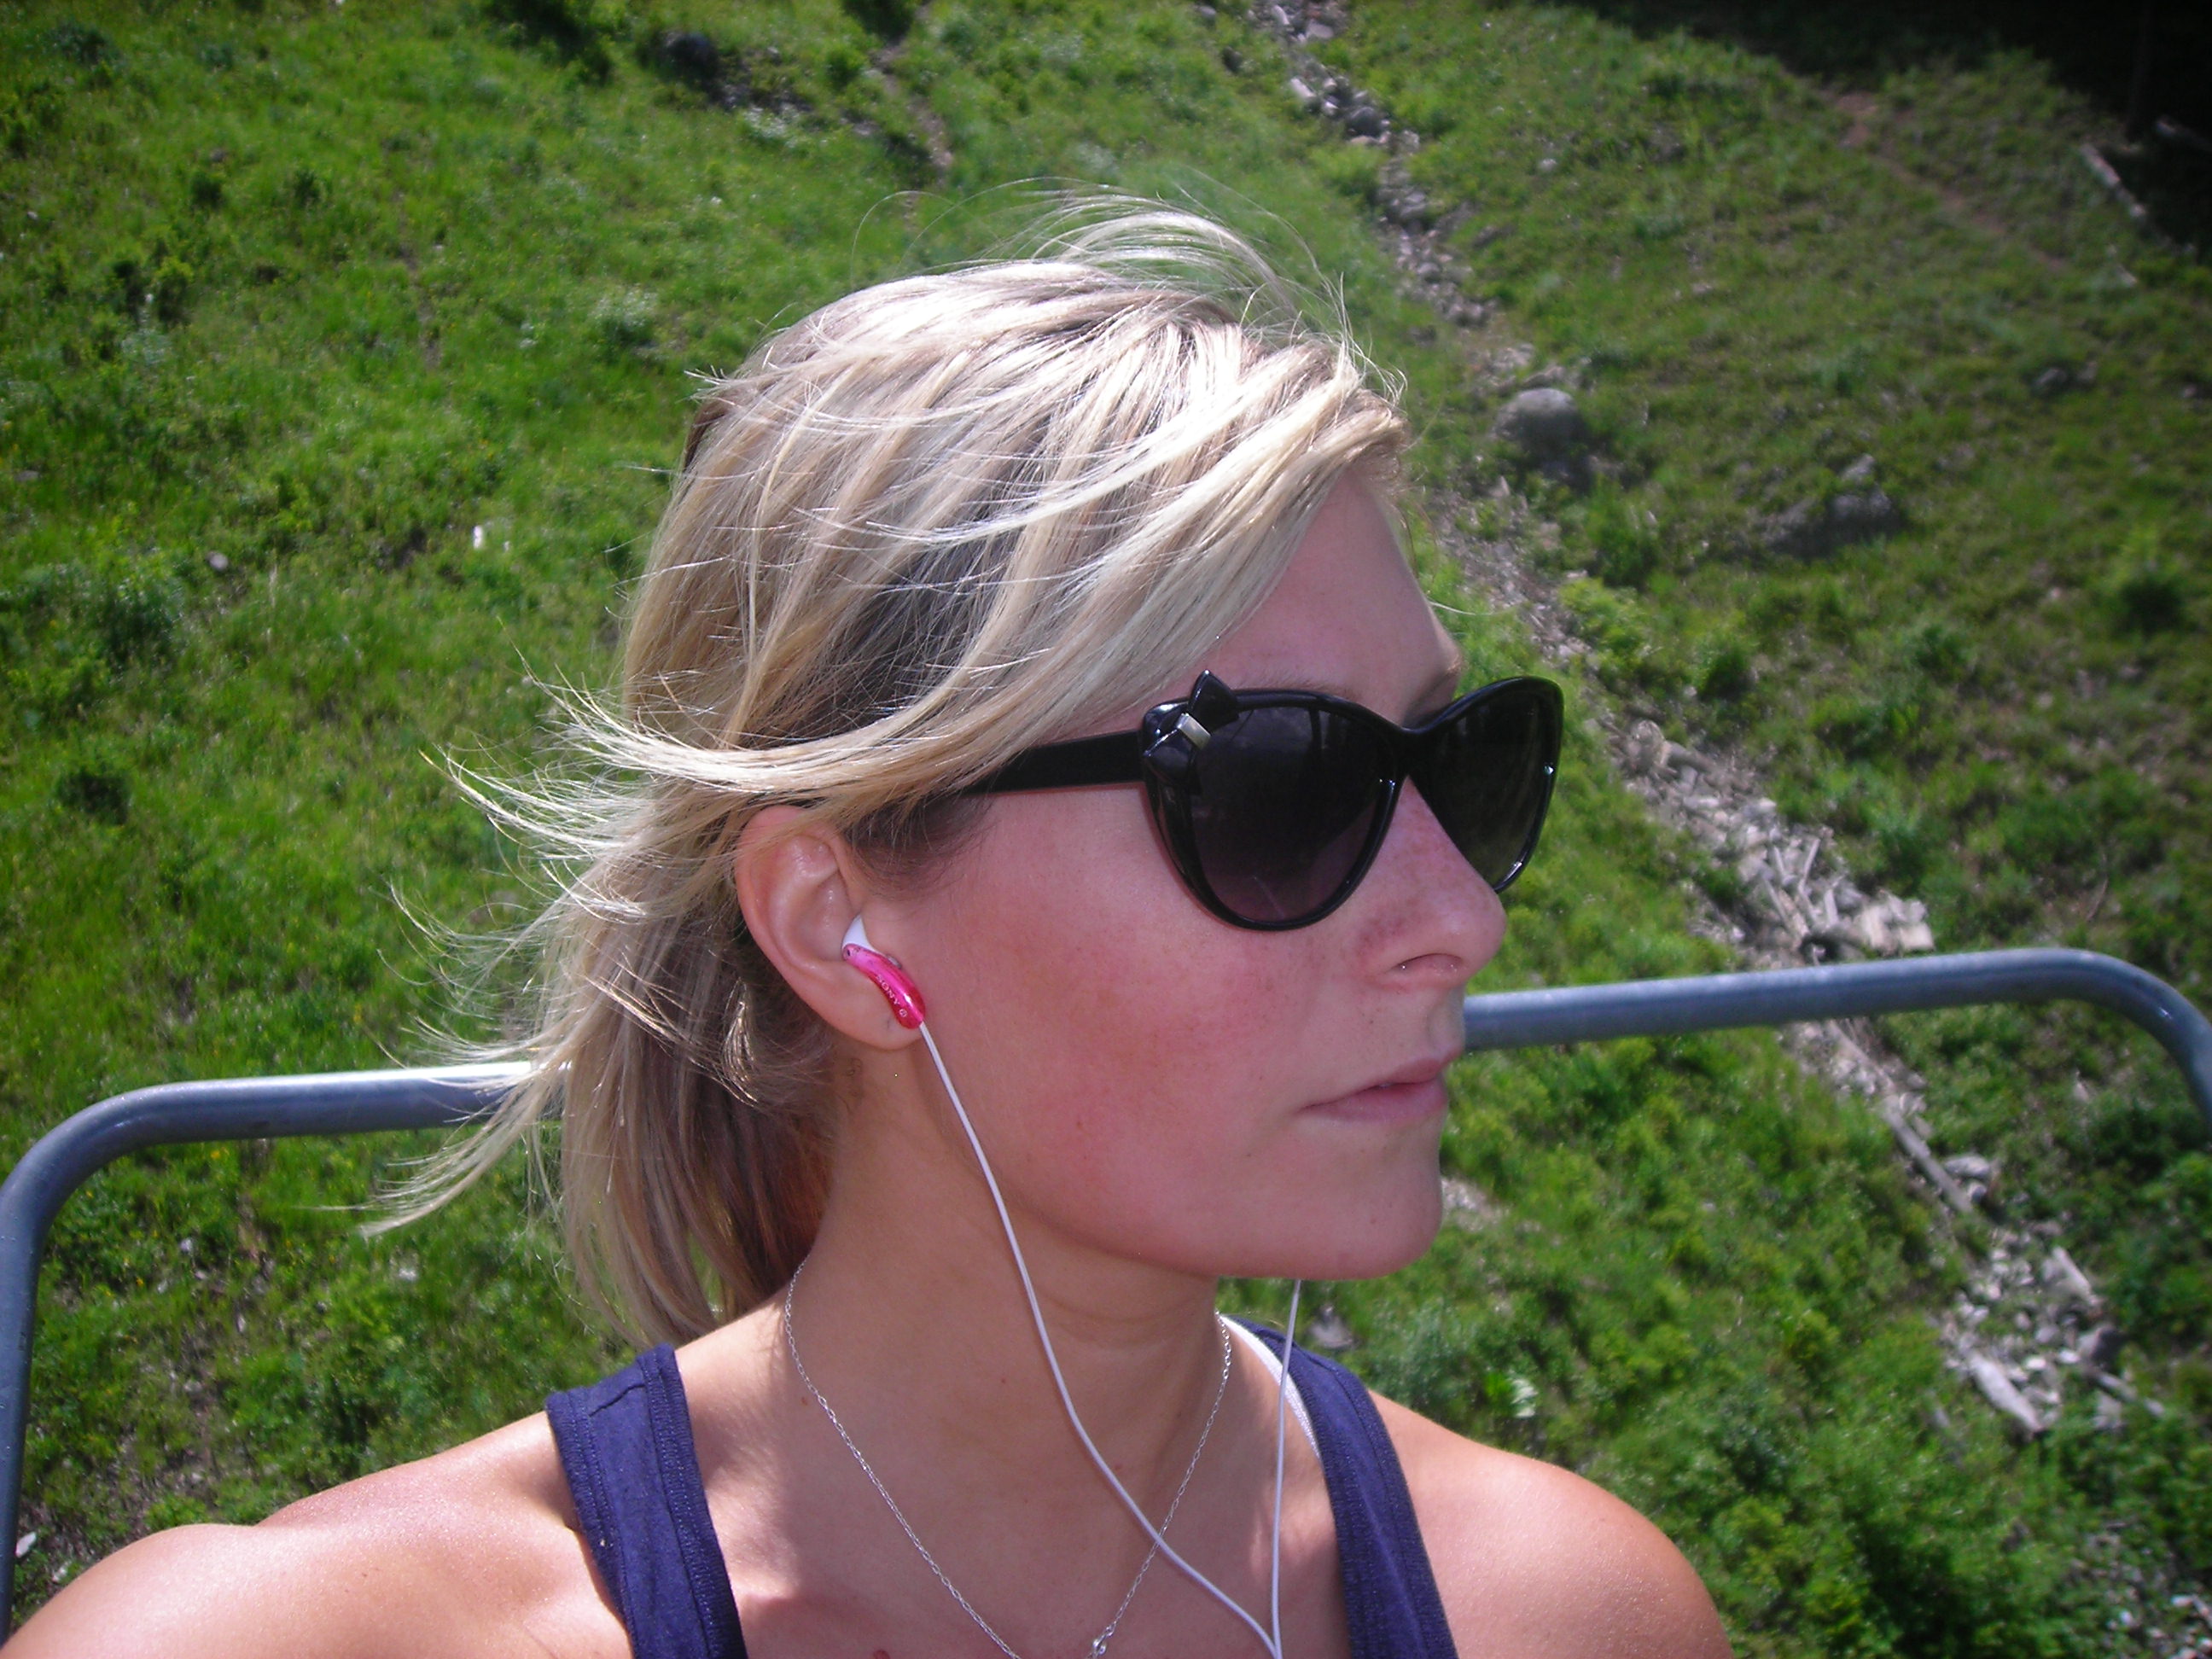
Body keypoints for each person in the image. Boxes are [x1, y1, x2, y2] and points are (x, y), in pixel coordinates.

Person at [13, 207, 1731, 1659]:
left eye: (1465, 762)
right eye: (1287, 789)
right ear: (836, 921)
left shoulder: (1578, 1616)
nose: (1458, 915)